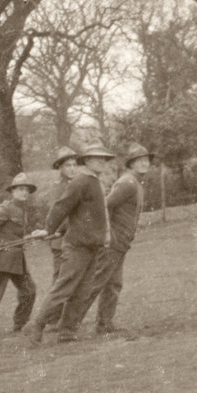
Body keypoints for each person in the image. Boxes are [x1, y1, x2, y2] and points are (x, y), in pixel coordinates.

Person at [23, 142, 115, 344]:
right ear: (88, 161)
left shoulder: (95, 182)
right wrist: (49, 229)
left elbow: (82, 214)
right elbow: (61, 207)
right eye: (96, 158)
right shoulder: (81, 181)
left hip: (93, 246)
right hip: (77, 247)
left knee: (82, 291)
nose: (101, 162)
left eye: (104, 159)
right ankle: (37, 325)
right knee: (64, 287)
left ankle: (67, 331)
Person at [72, 143, 153, 334]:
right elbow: (105, 206)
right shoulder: (127, 183)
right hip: (113, 242)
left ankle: (104, 324)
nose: (143, 163)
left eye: (145, 160)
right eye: (138, 161)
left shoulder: (136, 183)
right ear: (130, 164)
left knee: (114, 284)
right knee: (96, 283)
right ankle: (69, 326)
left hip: (122, 242)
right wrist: (107, 234)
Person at [0, 172, 47, 337]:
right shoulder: (7, 207)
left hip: (17, 259)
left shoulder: (23, 210)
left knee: (30, 290)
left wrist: (33, 234)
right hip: (2, 258)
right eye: (20, 189)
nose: (24, 193)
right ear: (13, 191)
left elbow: (17, 233)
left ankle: (20, 324)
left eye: (26, 190)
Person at [47, 146, 79, 281]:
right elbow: (57, 214)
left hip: (73, 239)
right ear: (60, 167)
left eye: (74, 165)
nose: (72, 168)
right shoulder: (58, 186)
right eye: (68, 165)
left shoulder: (75, 184)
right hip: (61, 240)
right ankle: (53, 303)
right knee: (60, 280)